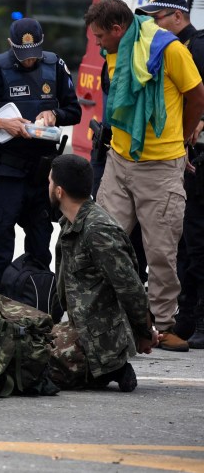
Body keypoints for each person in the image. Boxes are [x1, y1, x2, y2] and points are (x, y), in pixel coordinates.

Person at [84, 0, 204, 352]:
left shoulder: (167, 49)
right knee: (103, 239)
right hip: (120, 159)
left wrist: (181, 139)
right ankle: (108, 314)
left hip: (161, 165)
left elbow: (197, 94)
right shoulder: (115, 49)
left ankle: (162, 325)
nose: (97, 43)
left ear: (118, 30)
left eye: (100, 36)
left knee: (161, 251)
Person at [0, 17, 81, 307]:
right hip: (8, 171)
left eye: (34, 56)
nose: (29, 61)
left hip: (43, 173)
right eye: (22, 55)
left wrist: (55, 115)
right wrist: (0, 123)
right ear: (10, 46)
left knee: (41, 243)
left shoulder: (55, 65)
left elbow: (74, 110)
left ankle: (36, 307)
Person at [48, 154, 159, 392]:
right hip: (83, 330)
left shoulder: (97, 230)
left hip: (99, 340)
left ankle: (112, 368)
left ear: (59, 192)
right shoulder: (72, 223)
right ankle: (104, 369)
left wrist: (145, 332)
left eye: (49, 182)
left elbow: (131, 288)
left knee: (27, 366)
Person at [136, 0, 204, 349]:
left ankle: (195, 320)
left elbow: (197, 98)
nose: (153, 24)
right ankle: (179, 321)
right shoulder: (163, 47)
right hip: (177, 157)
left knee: (194, 243)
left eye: (158, 17)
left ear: (177, 17)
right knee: (180, 241)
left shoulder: (194, 48)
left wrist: (186, 138)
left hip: (192, 157)